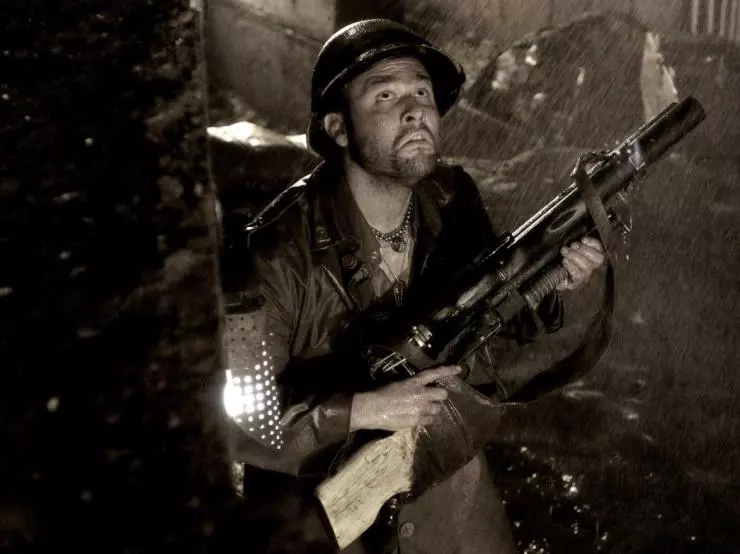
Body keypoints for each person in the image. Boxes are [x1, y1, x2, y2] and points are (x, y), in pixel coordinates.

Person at [227, 19, 606, 554]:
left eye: (422, 93)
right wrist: (365, 409)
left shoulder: (451, 199)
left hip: (440, 466)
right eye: (385, 95)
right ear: (338, 128)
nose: (414, 110)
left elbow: (497, 320)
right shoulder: (272, 254)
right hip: (319, 503)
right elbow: (238, 419)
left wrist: (557, 279)